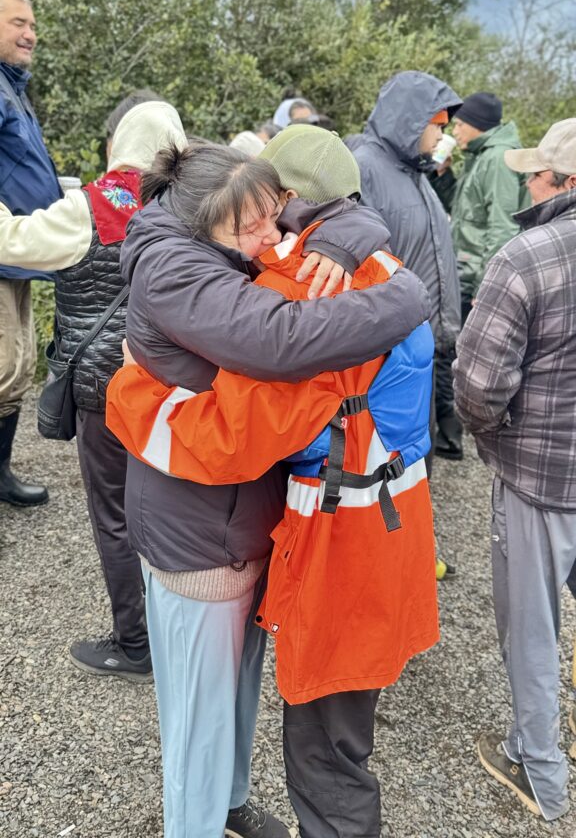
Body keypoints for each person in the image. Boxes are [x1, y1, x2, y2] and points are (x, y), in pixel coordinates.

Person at [106, 124, 439, 838]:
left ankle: (227, 806)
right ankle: (197, 820)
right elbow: (279, 343)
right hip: (202, 532)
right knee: (200, 715)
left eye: (276, 213)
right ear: (207, 220)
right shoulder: (182, 272)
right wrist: (408, 292)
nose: (267, 233)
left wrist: (345, 232)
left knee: (236, 692)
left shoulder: (249, 247)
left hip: (254, 525)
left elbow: (340, 206)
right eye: (250, 222)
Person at [0, 98, 186, 682]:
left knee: (115, 515)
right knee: (177, 510)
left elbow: (12, 243)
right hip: (179, 391)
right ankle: (185, 631)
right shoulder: (197, 202)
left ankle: (136, 643)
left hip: (105, 389)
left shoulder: (91, 206)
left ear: (115, 147)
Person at [453, 118, 576, 822]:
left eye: (535, 173)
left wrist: (498, 430)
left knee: (532, 629)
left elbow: (476, 385)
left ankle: (540, 771)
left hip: (542, 478)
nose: (523, 181)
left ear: (562, 183)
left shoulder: (526, 256)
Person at [351, 71, 463, 473]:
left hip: (421, 345)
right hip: (390, 352)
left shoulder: (416, 174)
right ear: (411, 120)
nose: (441, 136)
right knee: (391, 457)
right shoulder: (365, 169)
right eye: (437, 126)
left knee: (418, 453)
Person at [0, 0, 62, 507]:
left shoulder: (13, 88)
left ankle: (1, 473)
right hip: (3, 249)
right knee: (2, 365)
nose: (30, 34)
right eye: (18, 23)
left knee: (15, 366)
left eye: (33, 25)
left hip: (19, 254)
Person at [451, 91, 526, 320]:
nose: (454, 132)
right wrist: (441, 175)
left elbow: (503, 227)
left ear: (477, 125)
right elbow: (463, 209)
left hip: (476, 279)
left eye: (459, 124)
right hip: (467, 271)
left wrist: (485, 287)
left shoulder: (497, 159)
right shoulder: (480, 155)